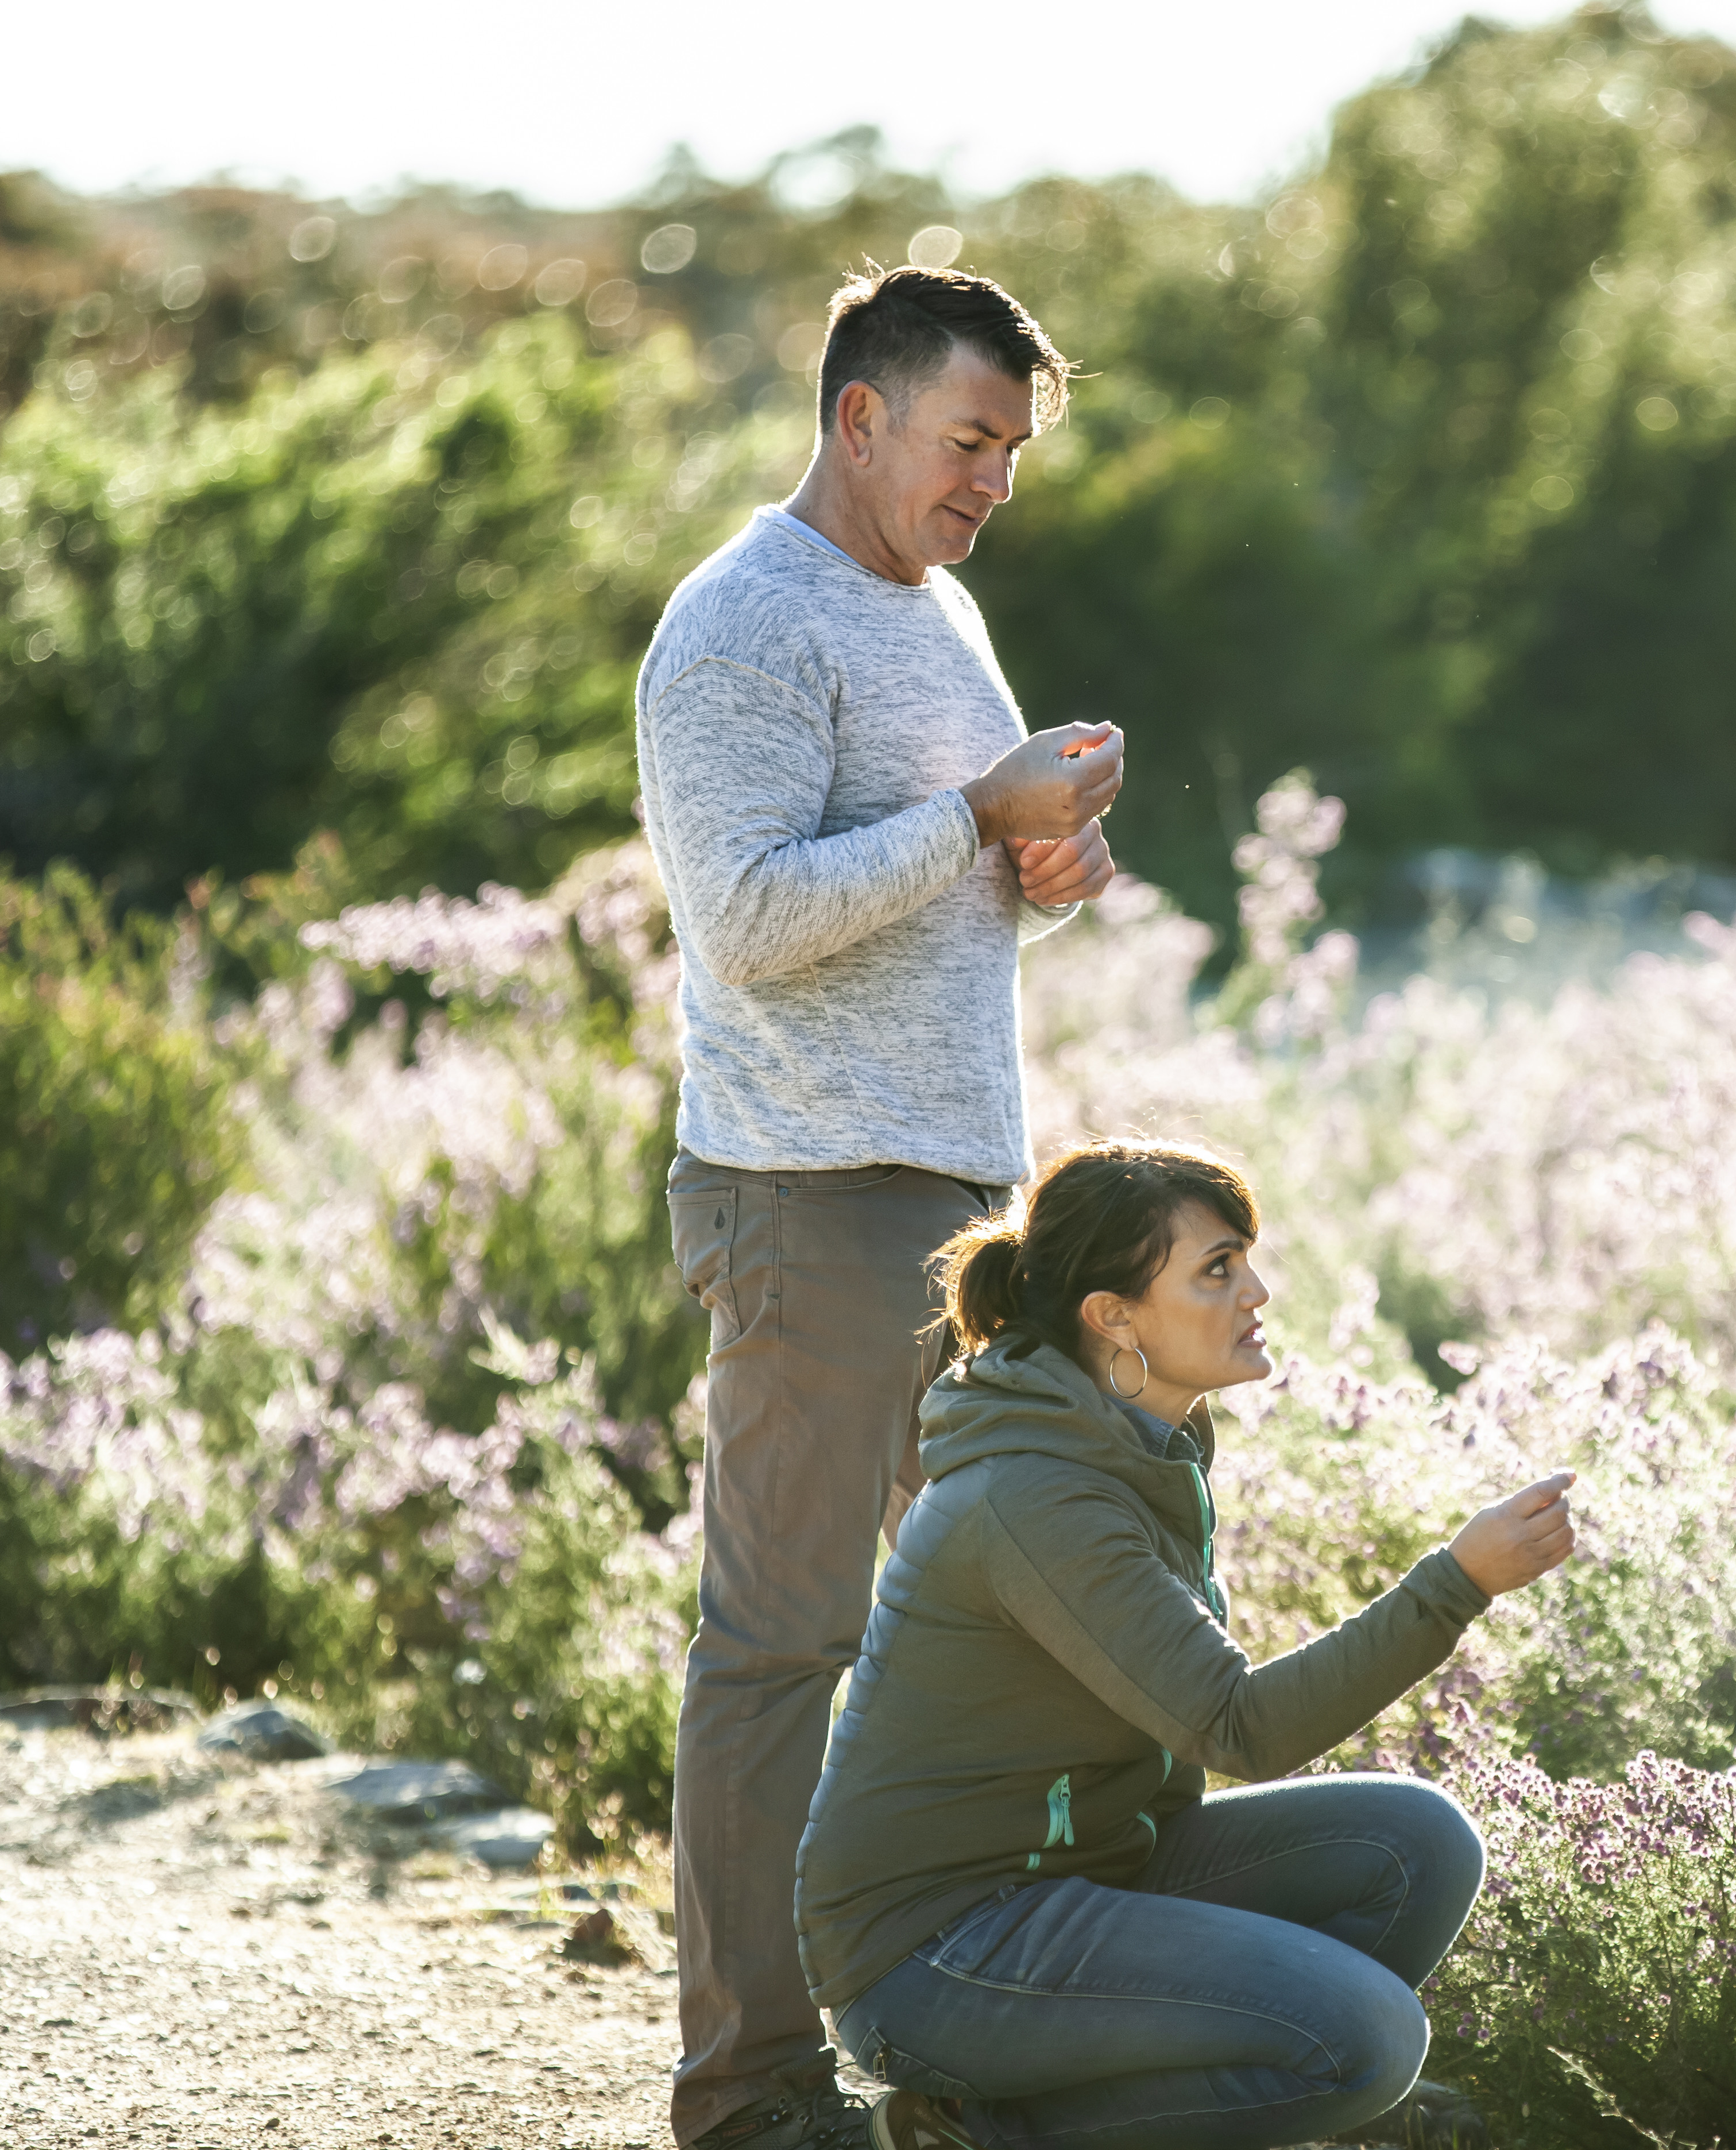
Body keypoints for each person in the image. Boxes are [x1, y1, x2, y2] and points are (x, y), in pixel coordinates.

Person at [637, 264, 1130, 2150]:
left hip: (958, 1211)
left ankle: (951, 2046)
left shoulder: (946, 611)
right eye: (966, 438)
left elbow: (946, 873)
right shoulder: (741, 624)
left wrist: (1041, 864)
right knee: (782, 1657)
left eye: (1010, 448)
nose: (992, 477)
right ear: (858, 418)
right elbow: (747, 924)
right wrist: (970, 823)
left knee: (975, 1647)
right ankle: (752, 2092)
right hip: (808, 1199)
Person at [797, 1139, 1574, 2150]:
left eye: (1246, 1258)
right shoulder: (1034, 1496)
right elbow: (1237, 1727)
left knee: (1416, 1846)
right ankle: (980, 2133)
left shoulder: (1140, 1446)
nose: (1258, 1290)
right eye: (1218, 1269)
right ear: (1114, 1318)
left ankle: (1178, 2112)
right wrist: (1454, 1585)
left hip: (1087, 1873)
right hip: (938, 1951)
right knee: (1370, 2043)